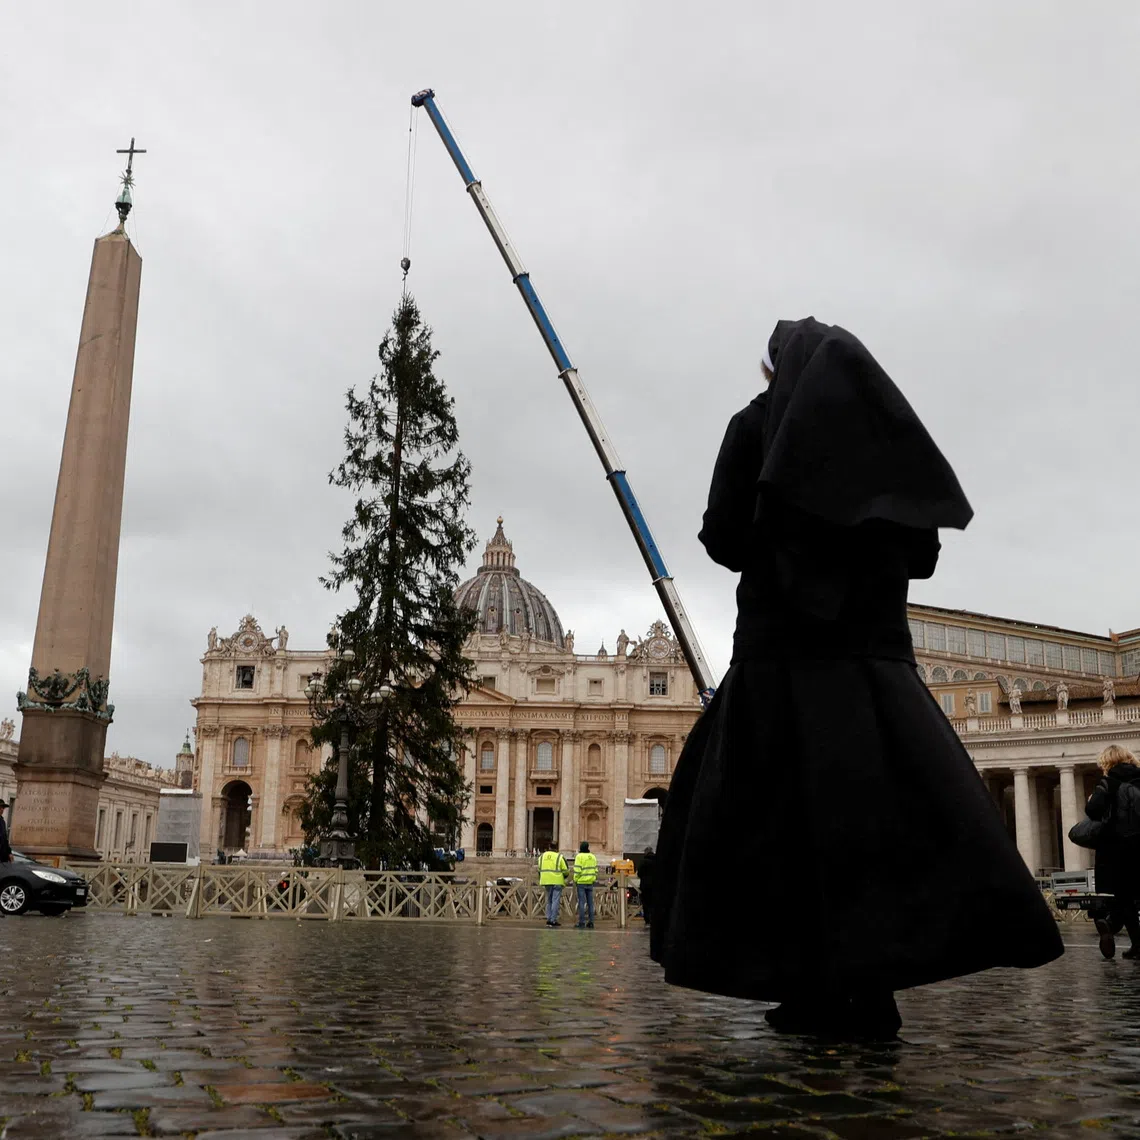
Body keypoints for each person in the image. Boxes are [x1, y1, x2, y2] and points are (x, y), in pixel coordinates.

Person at [650, 318, 1063, 1039]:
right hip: (873, 665)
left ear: (772, 371)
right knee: (874, 825)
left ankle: (805, 985)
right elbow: (923, 554)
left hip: (779, 661)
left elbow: (722, 539)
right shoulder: (882, 434)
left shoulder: (754, 426)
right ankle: (871, 990)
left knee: (778, 829)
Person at [1086, 744, 1140, 959]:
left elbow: (1092, 811)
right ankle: (1114, 926)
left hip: (1118, 849)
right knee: (1132, 898)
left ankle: (1114, 926)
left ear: (1106, 763)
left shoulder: (1109, 783)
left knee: (1125, 897)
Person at [538, 839, 568, 928]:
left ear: (549, 847)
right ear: (556, 848)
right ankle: (553, 920)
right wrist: (564, 876)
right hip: (557, 881)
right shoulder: (560, 857)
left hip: (546, 881)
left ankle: (548, 918)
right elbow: (566, 871)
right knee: (555, 901)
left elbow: (539, 869)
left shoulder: (542, 856)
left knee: (549, 901)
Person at [572, 841, 598, 928]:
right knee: (590, 903)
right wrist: (593, 878)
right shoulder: (593, 856)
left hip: (581, 882)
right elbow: (596, 870)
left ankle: (582, 922)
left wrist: (575, 879)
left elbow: (577, 870)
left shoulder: (579, 856)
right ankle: (591, 922)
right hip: (590, 882)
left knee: (581, 903)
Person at [637, 846, 656, 924]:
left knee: (645, 903)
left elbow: (639, 874)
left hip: (645, 885)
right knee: (654, 903)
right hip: (655, 885)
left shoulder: (643, 862)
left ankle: (647, 920)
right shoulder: (657, 860)